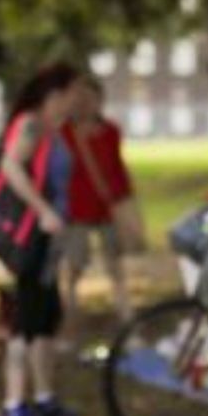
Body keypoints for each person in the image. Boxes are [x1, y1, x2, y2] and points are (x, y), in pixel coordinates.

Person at [0, 62, 79, 416]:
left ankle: (44, 397)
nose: (79, 98)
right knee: (25, 320)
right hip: (32, 235)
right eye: (74, 90)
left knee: (46, 317)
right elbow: (11, 166)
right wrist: (43, 210)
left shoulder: (53, 129)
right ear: (56, 93)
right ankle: (14, 404)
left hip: (49, 238)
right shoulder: (31, 123)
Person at [60, 74, 136, 324]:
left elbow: (117, 168)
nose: (84, 103)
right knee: (74, 265)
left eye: (90, 97)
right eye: (79, 98)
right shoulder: (64, 132)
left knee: (115, 264)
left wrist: (126, 202)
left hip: (108, 207)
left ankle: (125, 315)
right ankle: (70, 317)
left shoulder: (111, 131)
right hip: (76, 208)